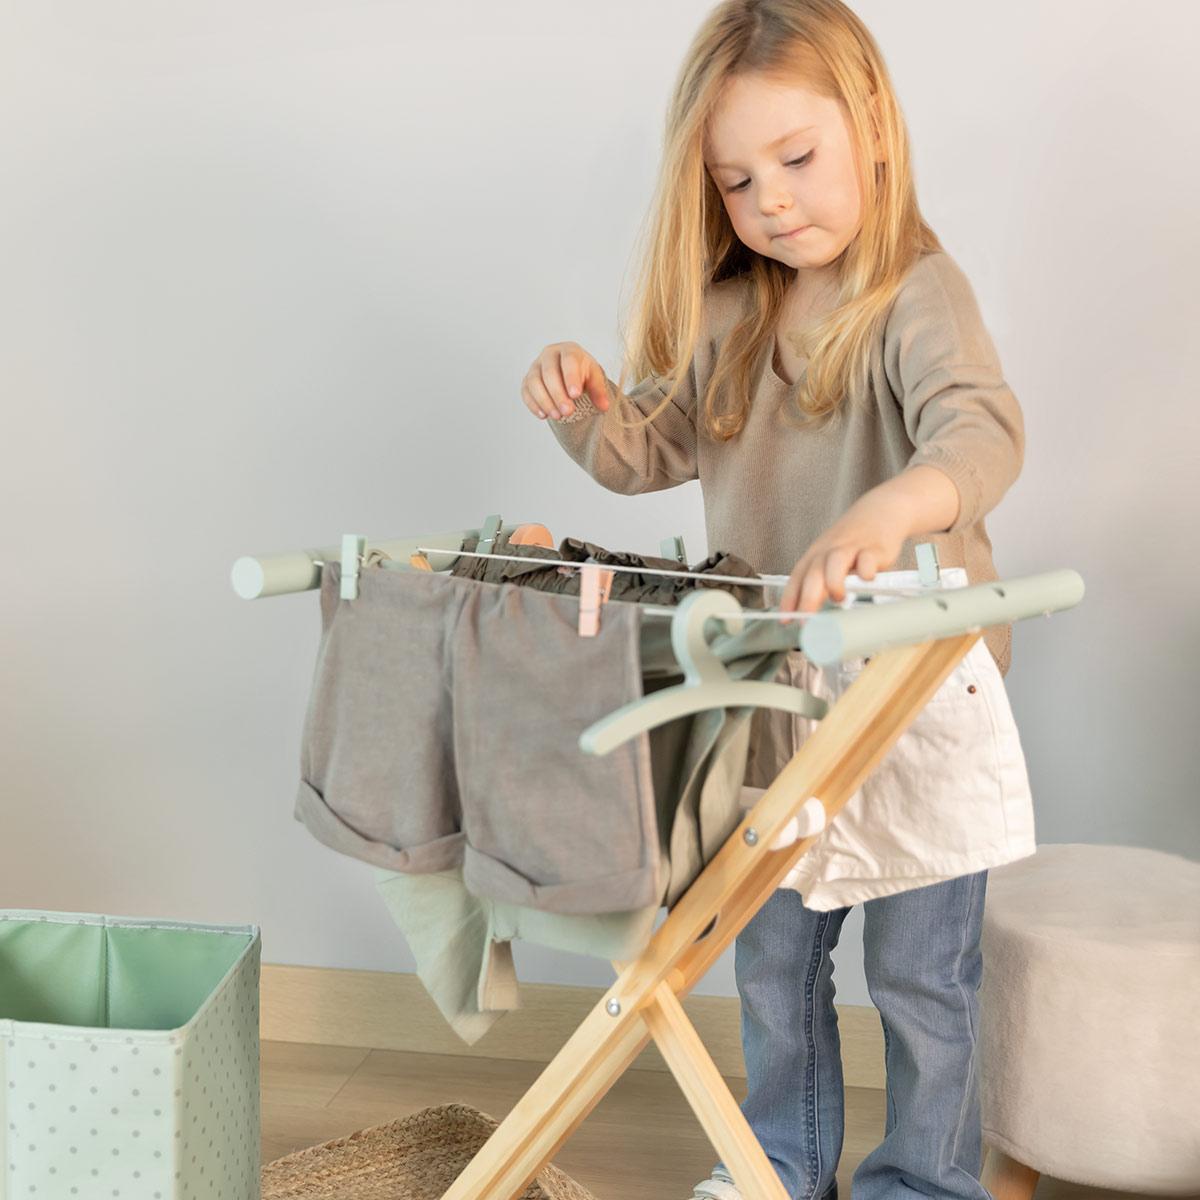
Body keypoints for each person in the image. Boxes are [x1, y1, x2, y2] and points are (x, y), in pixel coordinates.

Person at [521, 2, 1024, 1196]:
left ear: (874, 130)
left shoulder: (918, 294)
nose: (773, 200)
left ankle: (922, 1181)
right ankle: (778, 1164)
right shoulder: (735, 312)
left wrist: (889, 514)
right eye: (738, 181)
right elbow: (649, 452)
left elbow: (982, 432)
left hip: (914, 690)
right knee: (774, 958)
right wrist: (586, 402)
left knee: (920, 975)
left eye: (796, 159)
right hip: (779, 686)